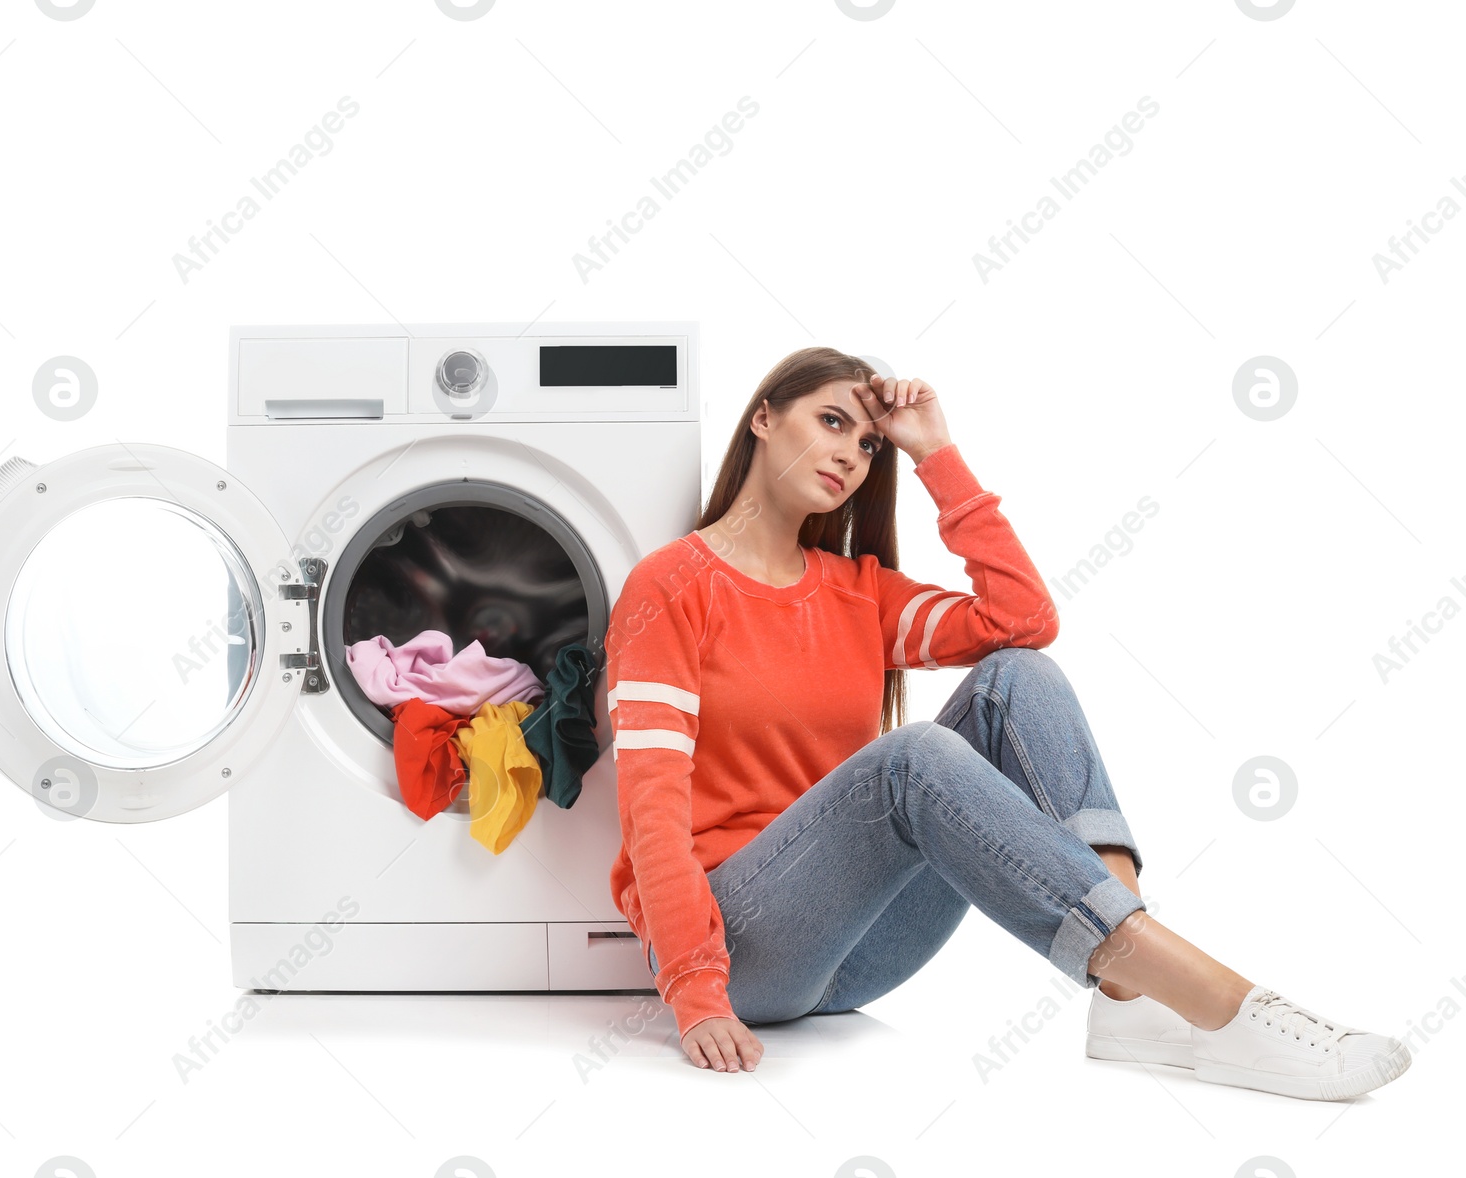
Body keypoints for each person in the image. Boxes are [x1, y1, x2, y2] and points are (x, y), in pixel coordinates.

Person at [602, 345, 1412, 1100]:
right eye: (832, 421)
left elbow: (1023, 620)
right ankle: (1217, 1002)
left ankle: (1130, 991)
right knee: (912, 758)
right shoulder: (672, 586)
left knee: (1016, 677)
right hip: (745, 950)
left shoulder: (858, 592)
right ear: (764, 418)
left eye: (869, 444)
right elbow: (651, 808)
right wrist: (698, 992)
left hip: (860, 955)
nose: (852, 453)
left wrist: (933, 453)